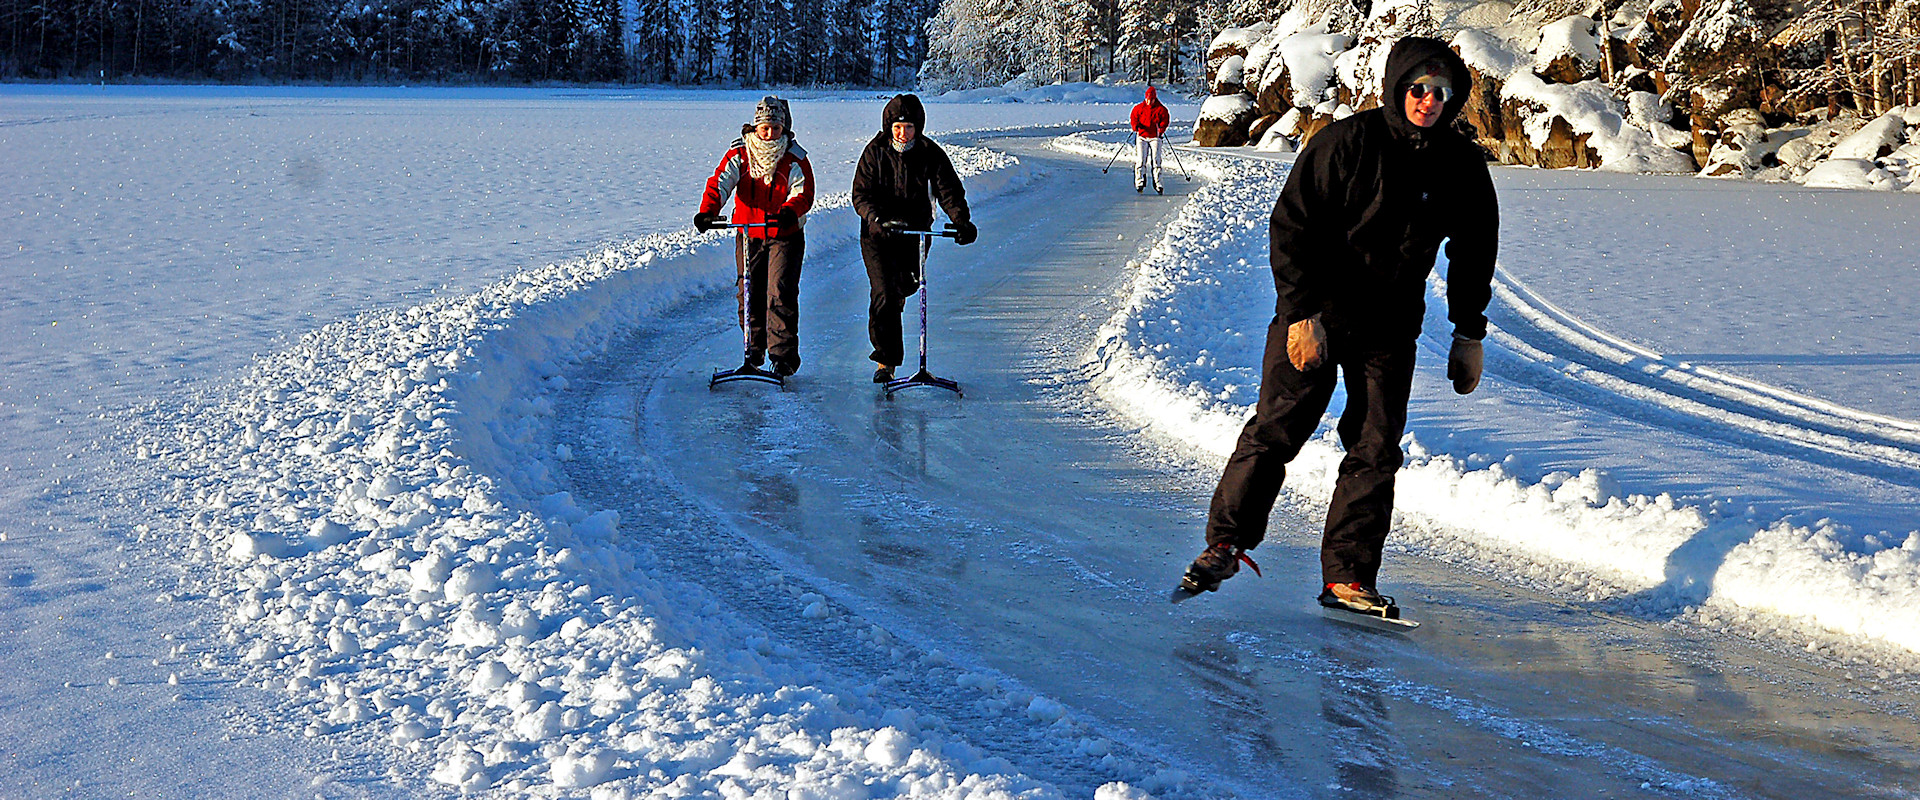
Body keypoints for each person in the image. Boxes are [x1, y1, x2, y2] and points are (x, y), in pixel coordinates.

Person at [1179, 37, 1499, 614]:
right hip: (1317, 314)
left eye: (1441, 93)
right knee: (1277, 429)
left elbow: (1475, 250)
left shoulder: (1460, 163)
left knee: (1375, 446)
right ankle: (1224, 543)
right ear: (1398, 87)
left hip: (1390, 325)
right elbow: (1293, 227)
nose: (1428, 100)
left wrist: (1468, 330)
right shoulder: (1346, 142)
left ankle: (1348, 577)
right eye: (1418, 89)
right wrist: (1301, 314)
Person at [850, 93, 978, 384]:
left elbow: (949, 191)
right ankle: (886, 362)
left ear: (917, 127)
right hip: (877, 235)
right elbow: (860, 194)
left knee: (903, 287)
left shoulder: (930, 152)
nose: (902, 133)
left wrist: (961, 221)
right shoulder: (875, 151)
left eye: (908, 127)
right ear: (888, 126)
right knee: (883, 292)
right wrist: (876, 217)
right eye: (897, 127)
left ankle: (893, 347)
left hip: (914, 234)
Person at [694, 96, 815, 377]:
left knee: (780, 291)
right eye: (764, 127)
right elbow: (720, 182)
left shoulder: (794, 156)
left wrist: (789, 211)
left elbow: (803, 192)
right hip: (749, 233)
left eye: (775, 127)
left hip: (785, 234)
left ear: (783, 127)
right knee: (748, 291)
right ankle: (753, 350)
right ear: (755, 127)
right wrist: (708, 211)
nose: (769, 133)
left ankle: (782, 356)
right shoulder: (740, 153)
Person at [1130, 86, 1171, 194]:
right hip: (1142, 136)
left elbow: (1165, 120)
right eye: (1148, 99)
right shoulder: (1139, 108)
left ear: (1154, 98)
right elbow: (1134, 118)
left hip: (1155, 137)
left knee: (1156, 160)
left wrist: (1161, 130)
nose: (1149, 101)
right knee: (1140, 160)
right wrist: (1135, 126)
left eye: (1151, 99)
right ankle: (1139, 181)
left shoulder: (1161, 109)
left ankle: (1158, 183)